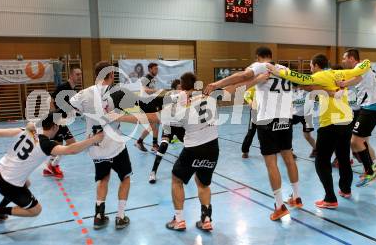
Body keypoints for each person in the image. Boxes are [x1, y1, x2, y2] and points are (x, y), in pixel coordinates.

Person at [112, 71, 267, 231]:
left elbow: (149, 117)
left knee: (177, 180)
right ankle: (206, 220)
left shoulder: (178, 106)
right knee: (203, 184)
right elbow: (238, 87)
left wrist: (119, 117)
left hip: (193, 148)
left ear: (182, 87)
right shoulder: (210, 96)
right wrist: (259, 78)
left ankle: (179, 220)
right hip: (213, 148)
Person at [205, 47, 302, 221]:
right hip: (286, 118)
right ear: (272, 56)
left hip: (268, 120)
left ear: (258, 57)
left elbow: (242, 77)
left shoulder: (260, 66)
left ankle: (280, 206)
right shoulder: (284, 69)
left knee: (271, 164)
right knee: (288, 158)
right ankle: (296, 197)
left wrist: (217, 84)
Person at [270, 54, 371, 209]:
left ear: (316, 65)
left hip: (330, 124)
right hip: (346, 122)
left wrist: (276, 70)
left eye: (311, 65)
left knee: (321, 161)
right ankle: (345, 190)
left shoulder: (319, 76)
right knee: (343, 158)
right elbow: (365, 64)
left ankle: (330, 198)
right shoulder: (338, 73)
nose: (310, 69)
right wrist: (345, 82)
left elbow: (299, 78)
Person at [0, 112, 103, 221]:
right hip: (8, 184)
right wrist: (93, 140)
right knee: (36, 210)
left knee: (26, 183)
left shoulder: (26, 130)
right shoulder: (46, 145)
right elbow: (72, 150)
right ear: (55, 127)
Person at [70, 61, 133, 230]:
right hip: (116, 145)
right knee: (125, 178)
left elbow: (67, 107)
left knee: (103, 179)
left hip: (96, 146)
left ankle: (98, 216)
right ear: (111, 75)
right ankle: (120, 217)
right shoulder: (117, 92)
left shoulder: (84, 93)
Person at [338, 49, 376, 187]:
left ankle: (370, 171)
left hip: (372, 107)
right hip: (369, 107)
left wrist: (343, 83)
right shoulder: (360, 69)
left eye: (344, 58)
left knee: (355, 141)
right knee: (363, 141)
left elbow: (356, 79)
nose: (343, 60)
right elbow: (356, 80)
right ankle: (375, 167)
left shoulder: (360, 67)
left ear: (352, 58)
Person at [43, 66, 83, 179]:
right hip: (57, 121)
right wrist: (54, 116)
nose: (79, 76)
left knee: (60, 145)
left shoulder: (73, 90)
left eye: (80, 74)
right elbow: (50, 99)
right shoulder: (64, 87)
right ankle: (53, 166)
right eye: (77, 74)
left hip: (62, 121)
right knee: (69, 144)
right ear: (71, 76)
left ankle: (49, 167)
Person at [149, 79, 185, 184]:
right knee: (164, 145)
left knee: (190, 146)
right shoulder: (168, 96)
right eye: (179, 87)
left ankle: (187, 167)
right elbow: (158, 106)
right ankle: (153, 172)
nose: (181, 89)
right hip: (168, 125)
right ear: (174, 89)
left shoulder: (184, 96)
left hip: (179, 126)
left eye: (182, 87)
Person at [135, 62, 161, 152]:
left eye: (157, 69)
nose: (157, 70)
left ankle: (140, 141)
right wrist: (157, 91)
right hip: (145, 104)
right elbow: (146, 90)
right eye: (155, 69)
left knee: (154, 124)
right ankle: (154, 145)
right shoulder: (145, 78)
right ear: (150, 69)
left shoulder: (153, 78)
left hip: (151, 103)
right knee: (155, 123)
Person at [291, 83, 317, 158]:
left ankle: (316, 149)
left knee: (307, 136)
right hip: (294, 115)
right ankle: (289, 151)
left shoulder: (307, 91)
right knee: (288, 134)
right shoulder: (289, 92)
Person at [241, 86, 257, 158]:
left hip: (268, 113)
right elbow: (246, 94)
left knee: (274, 131)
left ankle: (284, 149)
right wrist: (250, 101)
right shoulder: (254, 88)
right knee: (251, 131)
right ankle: (245, 151)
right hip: (255, 112)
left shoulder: (269, 87)